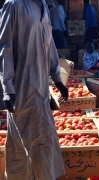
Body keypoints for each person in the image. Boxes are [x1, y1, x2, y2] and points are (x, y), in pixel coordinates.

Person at [0, 0, 68, 179]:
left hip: (41, 87)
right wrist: (7, 88)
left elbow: (49, 44)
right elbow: (4, 47)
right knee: (42, 142)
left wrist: (58, 79)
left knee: (18, 148)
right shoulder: (14, 5)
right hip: (21, 88)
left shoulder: (44, 7)